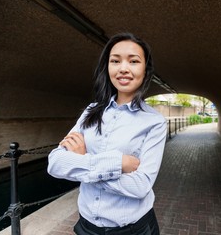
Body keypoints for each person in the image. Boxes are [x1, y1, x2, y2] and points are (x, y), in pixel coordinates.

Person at [47, 32, 167, 235]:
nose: (123, 68)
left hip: (133, 230)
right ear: (107, 67)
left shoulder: (154, 122)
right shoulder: (91, 111)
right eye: (115, 61)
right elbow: (55, 163)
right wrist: (119, 163)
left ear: (145, 71)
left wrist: (81, 161)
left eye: (134, 61)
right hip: (86, 227)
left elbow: (140, 186)